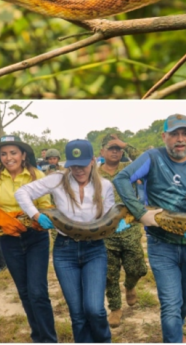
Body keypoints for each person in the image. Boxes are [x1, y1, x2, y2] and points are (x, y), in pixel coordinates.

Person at [15, 139, 118, 343]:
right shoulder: (57, 179)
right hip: (65, 250)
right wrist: (36, 215)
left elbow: (108, 215)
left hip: (94, 250)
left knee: (95, 309)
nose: (78, 170)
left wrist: (116, 223)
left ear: (92, 161)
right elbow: (22, 192)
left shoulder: (105, 185)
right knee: (77, 314)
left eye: (82, 164)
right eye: (73, 165)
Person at [114, 114, 186, 343]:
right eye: (174, 133)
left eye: (184, 133)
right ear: (164, 136)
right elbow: (122, 178)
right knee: (171, 304)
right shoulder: (153, 157)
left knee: (183, 303)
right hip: (162, 245)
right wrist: (140, 212)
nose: (180, 138)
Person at [0, 135, 56, 343]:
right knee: (24, 291)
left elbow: (45, 205)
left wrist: (38, 217)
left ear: (23, 155)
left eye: (13, 152)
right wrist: (1, 218)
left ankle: (49, 339)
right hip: (8, 237)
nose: (8, 157)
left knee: (38, 291)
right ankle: (37, 336)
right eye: (3, 154)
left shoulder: (36, 174)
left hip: (35, 237)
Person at [98, 133, 147, 327]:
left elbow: (145, 159)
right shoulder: (94, 173)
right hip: (105, 231)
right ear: (102, 151)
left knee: (138, 268)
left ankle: (130, 285)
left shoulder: (129, 169)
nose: (115, 151)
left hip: (130, 227)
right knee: (110, 274)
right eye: (111, 148)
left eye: (118, 148)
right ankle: (116, 308)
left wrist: (126, 144)